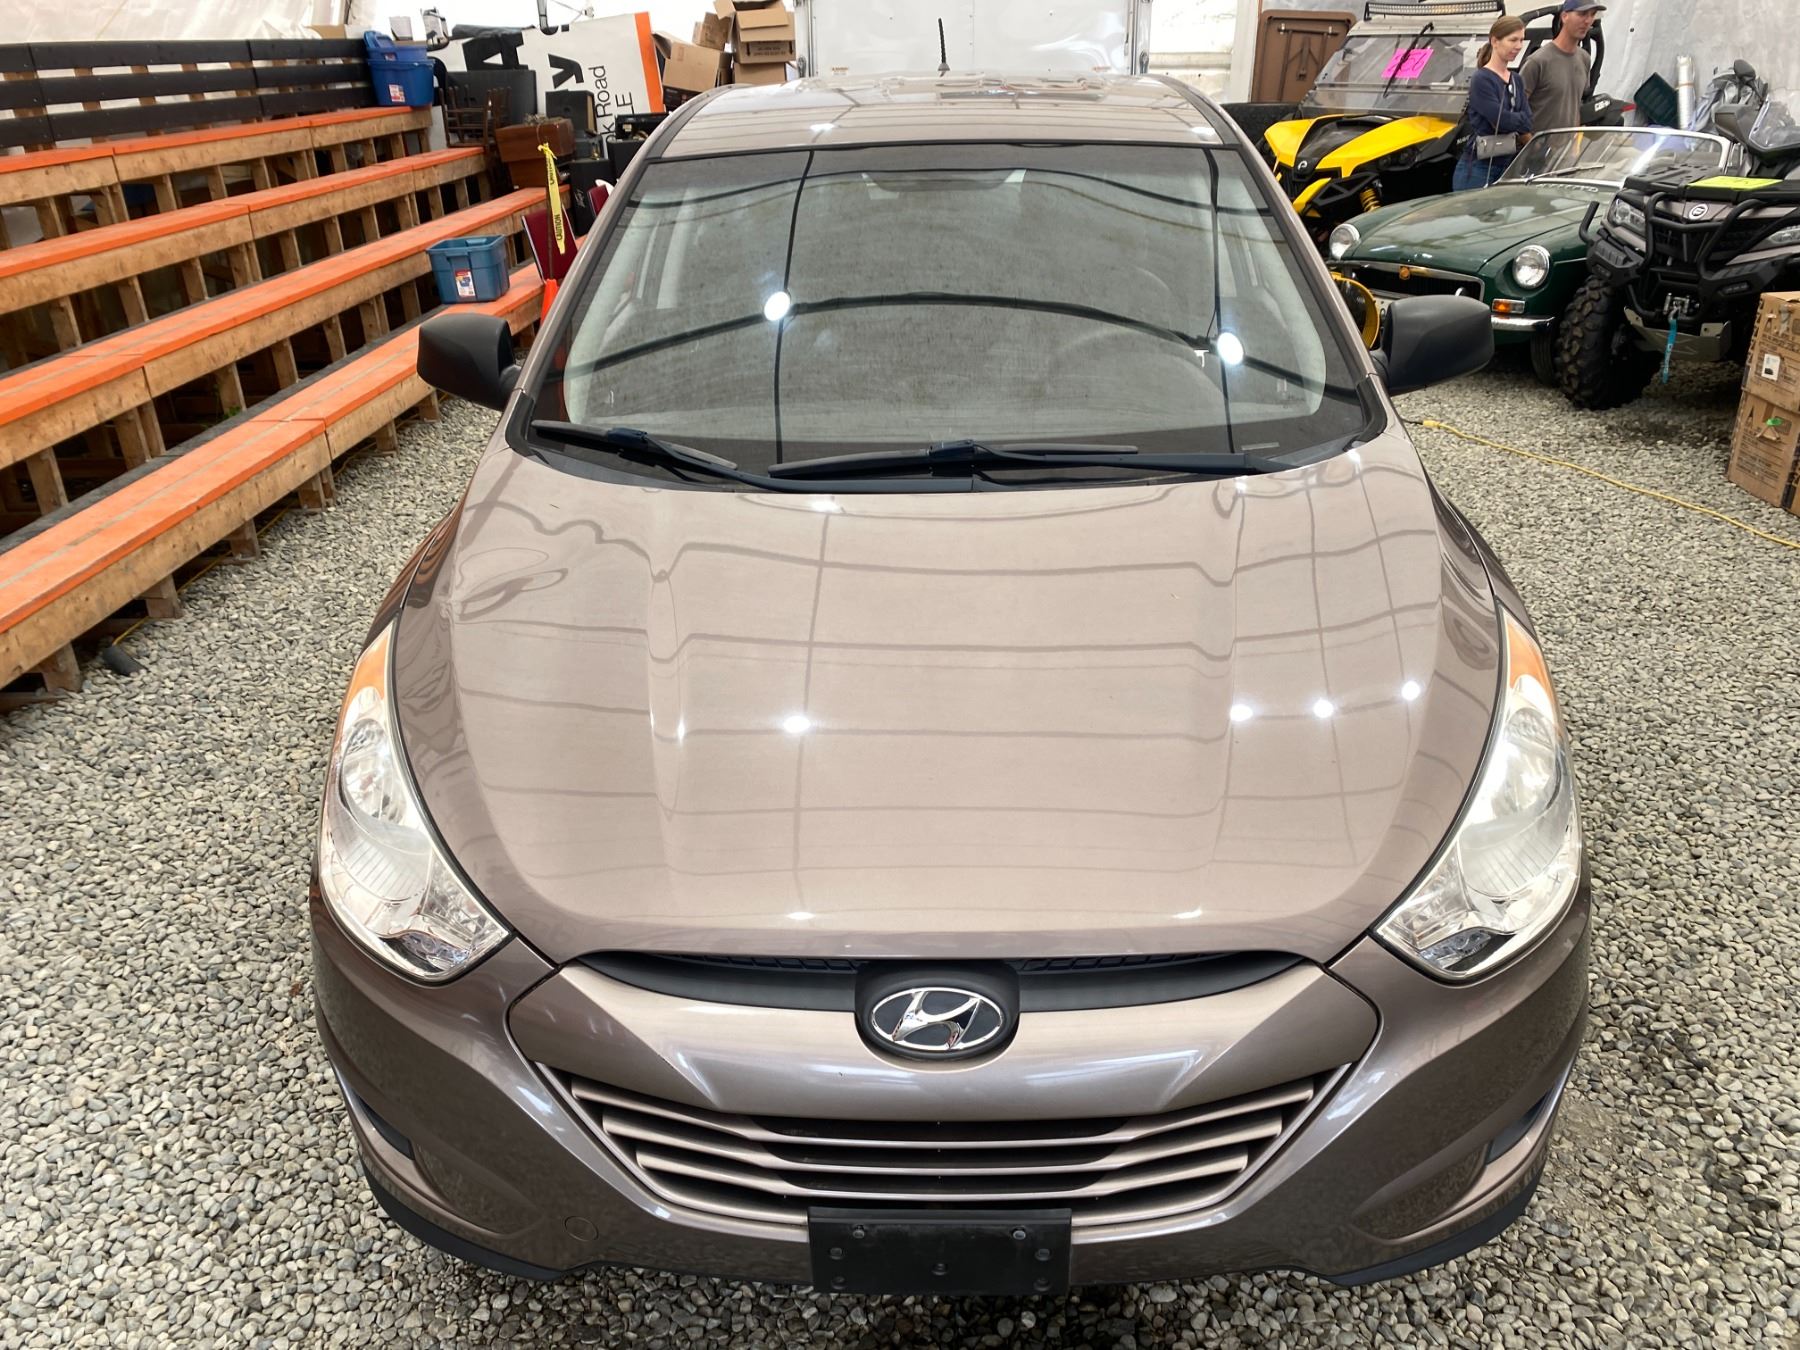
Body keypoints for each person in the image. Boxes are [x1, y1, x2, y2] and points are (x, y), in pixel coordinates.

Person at [1453, 17, 1531, 192]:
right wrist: (1517, 119)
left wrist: (1513, 120)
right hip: (1478, 167)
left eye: (1521, 40)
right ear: (1495, 41)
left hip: (1507, 164)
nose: (1518, 46)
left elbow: (1527, 122)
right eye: (1513, 40)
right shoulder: (1482, 79)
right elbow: (1501, 121)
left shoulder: (1516, 80)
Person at [1522, 0, 1604, 134]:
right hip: (1538, 146)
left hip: (1567, 146)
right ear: (1564, 16)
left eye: (1592, 14)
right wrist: (1530, 142)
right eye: (1582, 14)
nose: (1588, 20)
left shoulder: (1584, 58)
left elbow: (1574, 106)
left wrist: (1574, 141)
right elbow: (1516, 109)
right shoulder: (1538, 61)